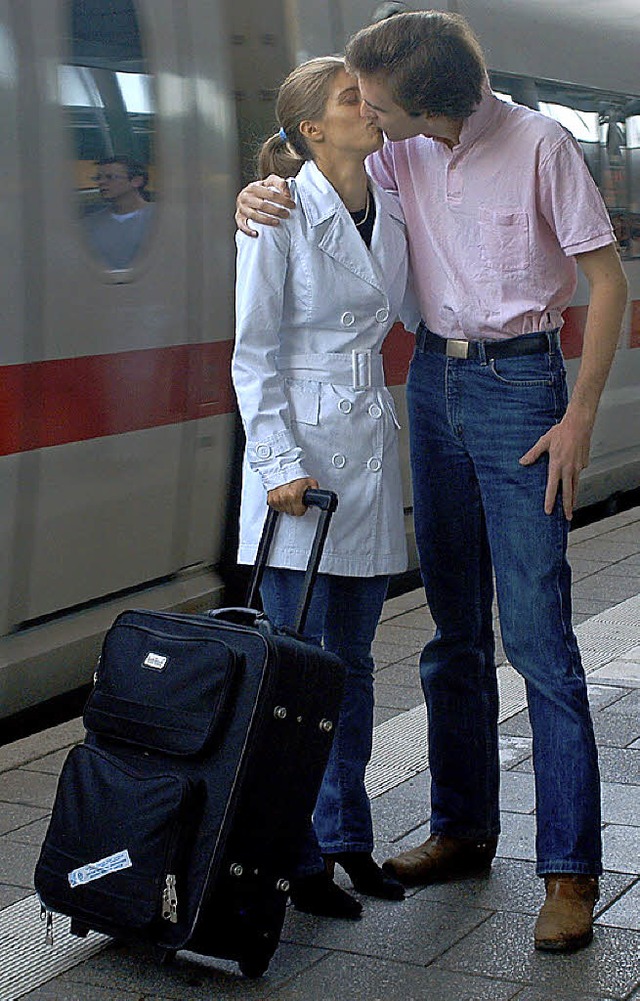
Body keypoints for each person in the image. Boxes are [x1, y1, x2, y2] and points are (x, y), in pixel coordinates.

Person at [234, 12, 629, 952]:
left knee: (536, 632)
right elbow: (308, 187)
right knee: (454, 634)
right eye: (354, 99)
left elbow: (607, 282)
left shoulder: (539, 144)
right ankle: (461, 827)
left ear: (421, 104)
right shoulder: (396, 155)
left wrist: (578, 415)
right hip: (434, 388)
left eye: (373, 97)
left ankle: (569, 869)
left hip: (523, 387)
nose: (365, 107)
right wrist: (258, 189)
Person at [232, 55, 410, 920]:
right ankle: (291, 855)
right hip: (298, 472)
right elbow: (253, 352)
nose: (369, 109)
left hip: (369, 448)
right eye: (352, 100)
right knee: (293, 676)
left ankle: (348, 839)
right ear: (311, 129)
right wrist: (275, 466)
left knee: (354, 671)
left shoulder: (394, 201)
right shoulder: (276, 211)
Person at [83, 156, 153, 268]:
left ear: (136, 181)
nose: (101, 182)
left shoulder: (162, 218)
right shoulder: (88, 225)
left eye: (110, 177)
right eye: (98, 178)